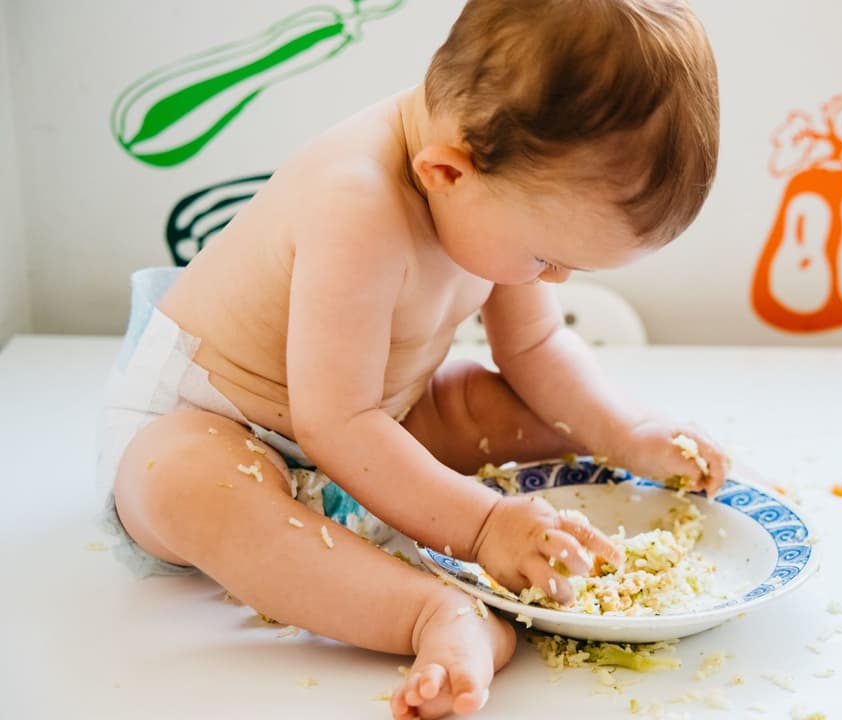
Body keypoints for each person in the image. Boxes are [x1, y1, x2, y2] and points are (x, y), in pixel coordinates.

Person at [96, 0, 725, 717]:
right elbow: (334, 423)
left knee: (503, 408)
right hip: (225, 426)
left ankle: (626, 465)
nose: (555, 281)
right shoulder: (356, 207)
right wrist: (484, 525)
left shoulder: (497, 178)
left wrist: (626, 432)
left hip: (374, 419)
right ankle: (430, 614)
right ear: (448, 173)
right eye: (548, 257)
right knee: (177, 479)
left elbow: (536, 348)